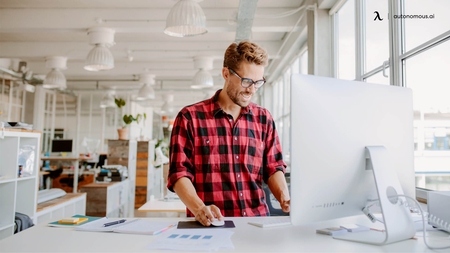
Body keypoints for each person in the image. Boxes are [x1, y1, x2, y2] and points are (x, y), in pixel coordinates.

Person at [167, 41, 290, 226]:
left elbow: (273, 167)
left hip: (257, 225)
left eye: (258, 82)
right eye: (247, 81)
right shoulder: (189, 118)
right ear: (226, 74)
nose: (252, 89)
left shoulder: (264, 119)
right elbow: (179, 173)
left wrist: (285, 198)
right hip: (210, 226)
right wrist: (199, 208)